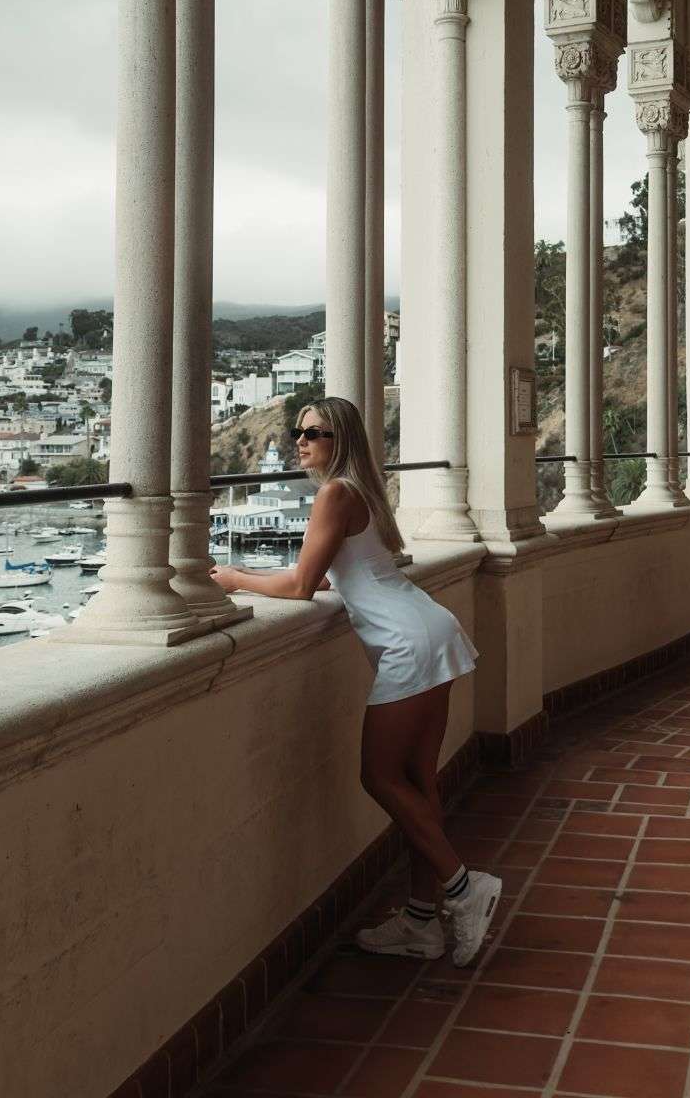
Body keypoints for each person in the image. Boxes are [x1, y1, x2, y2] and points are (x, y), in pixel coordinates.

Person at [210, 395, 501, 967]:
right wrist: (268, 576)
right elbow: (323, 577)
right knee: (418, 783)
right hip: (429, 628)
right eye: (298, 432)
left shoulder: (334, 494)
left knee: (380, 776)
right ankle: (422, 922)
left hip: (408, 644)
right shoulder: (361, 491)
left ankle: (465, 887)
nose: (300, 441)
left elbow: (300, 588)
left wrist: (234, 578)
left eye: (313, 433)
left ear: (339, 440)